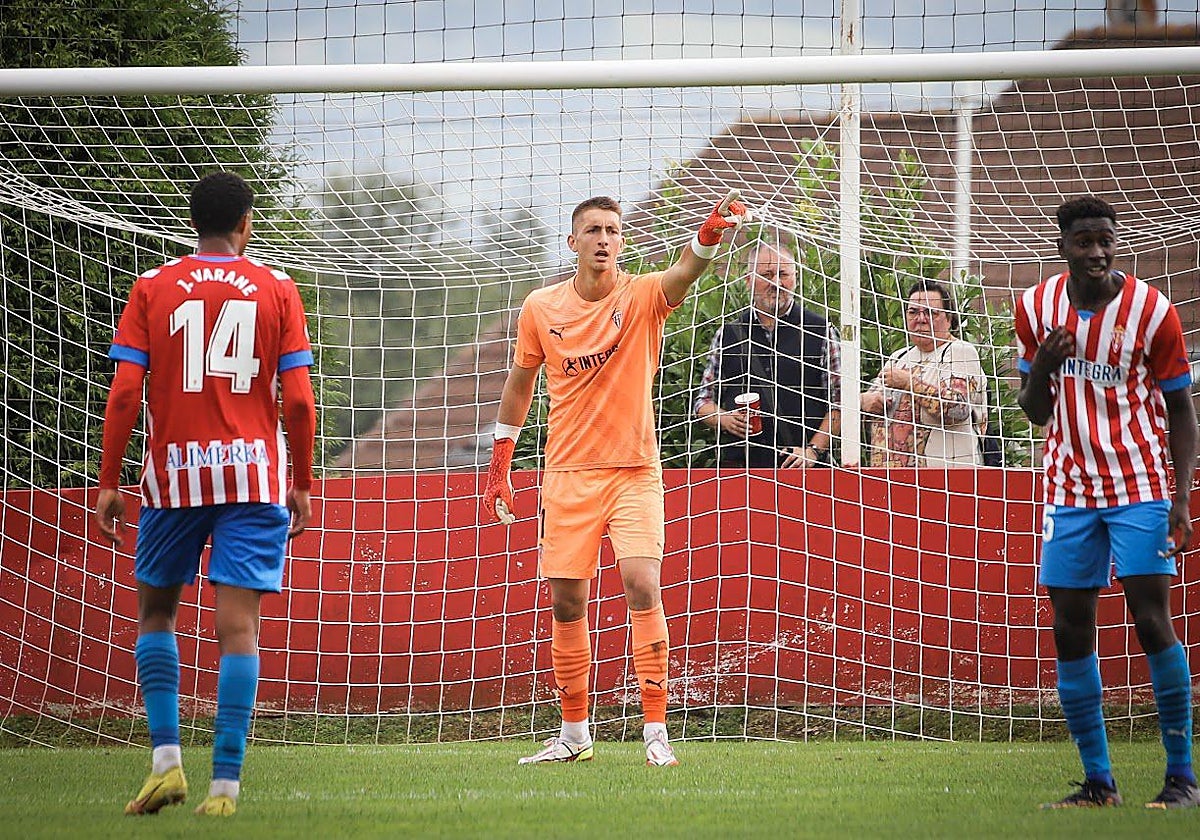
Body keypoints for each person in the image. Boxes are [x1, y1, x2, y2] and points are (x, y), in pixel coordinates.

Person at [481, 190, 750, 766]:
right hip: (567, 474)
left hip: (634, 470)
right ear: (572, 241)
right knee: (567, 601)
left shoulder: (643, 295)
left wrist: (709, 234)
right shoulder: (540, 308)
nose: (603, 239)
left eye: (612, 230)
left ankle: (656, 732)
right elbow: (520, 383)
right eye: (593, 230)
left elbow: (684, 271)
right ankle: (575, 734)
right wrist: (501, 462)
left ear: (622, 241)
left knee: (641, 583)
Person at [94, 171, 317, 817]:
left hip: (174, 477)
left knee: (157, 614)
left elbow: (125, 394)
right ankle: (224, 789)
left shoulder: (153, 286)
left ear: (193, 223)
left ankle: (166, 764)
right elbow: (299, 402)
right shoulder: (276, 287)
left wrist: (108, 482)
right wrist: (302, 482)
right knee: (239, 627)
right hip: (253, 478)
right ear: (246, 223)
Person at [1016, 195, 1198, 809]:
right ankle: (1099, 783)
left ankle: (1182, 778)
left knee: (1151, 620)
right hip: (1068, 487)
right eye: (1084, 241)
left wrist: (1180, 497)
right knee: (1070, 628)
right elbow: (1034, 410)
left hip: (1139, 484)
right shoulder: (1035, 307)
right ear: (1063, 247)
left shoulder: (1153, 311)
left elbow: (1182, 410)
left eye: (1105, 241)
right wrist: (1044, 365)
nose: (1097, 252)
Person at [694, 240, 840, 467]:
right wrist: (724, 418)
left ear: (796, 278)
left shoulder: (821, 331)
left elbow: (840, 404)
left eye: (783, 274)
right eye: (767, 274)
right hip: (741, 469)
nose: (776, 283)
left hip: (804, 472)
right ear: (748, 281)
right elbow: (702, 401)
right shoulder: (728, 333)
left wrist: (812, 451)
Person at [860, 279, 986, 467]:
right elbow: (868, 402)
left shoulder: (960, 352)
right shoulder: (898, 357)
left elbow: (958, 410)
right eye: (913, 312)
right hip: (890, 478)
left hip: (945, 477)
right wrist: (864, 401)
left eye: (931, 312)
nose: (920, 319)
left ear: (949, 319)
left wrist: (909, 383)